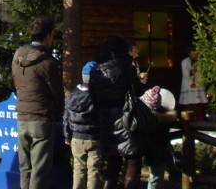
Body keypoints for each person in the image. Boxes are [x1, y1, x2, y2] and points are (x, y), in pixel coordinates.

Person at [11, 15, 64, 189]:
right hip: (41, 118)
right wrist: (58, 114)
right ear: (48, 35)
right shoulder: (48, 62)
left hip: (22, 116)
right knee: (40, 171)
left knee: (25, 168)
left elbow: (14, 81)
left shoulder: (18, 56)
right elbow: (58, 94)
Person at [91, 36, 146, 189]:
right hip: (126, 118)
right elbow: (137, 91)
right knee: (133, 161)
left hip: (106, 120)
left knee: (112, 165)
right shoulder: (126, 67)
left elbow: (93, 98)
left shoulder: (96, 70)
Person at [64, 61, 102, 189]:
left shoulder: (71, 97)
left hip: (75, 137)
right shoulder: (97, 97)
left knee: (78, 168)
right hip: (93, 137)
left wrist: (67, 136)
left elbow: (66, 118)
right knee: (94, 170)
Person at [139, 87, 178, 189]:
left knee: (155, 177)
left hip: (152, 152)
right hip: (159, 152)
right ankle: (174, 172)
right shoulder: (162, 118)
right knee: (156, 177)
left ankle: (174, 172)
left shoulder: (145, 118)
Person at [179, 48, 207, 121]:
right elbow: (186, 74)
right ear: (189, 53)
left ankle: (200, 120)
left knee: (199, 105)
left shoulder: (201, 62)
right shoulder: (184, 62)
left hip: (199, 84)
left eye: (196, 53)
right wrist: (191, 72)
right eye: (193, 53)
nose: (194, 55)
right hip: (188, 85)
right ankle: (188, 121)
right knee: (189, 105)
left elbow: (203, 72)